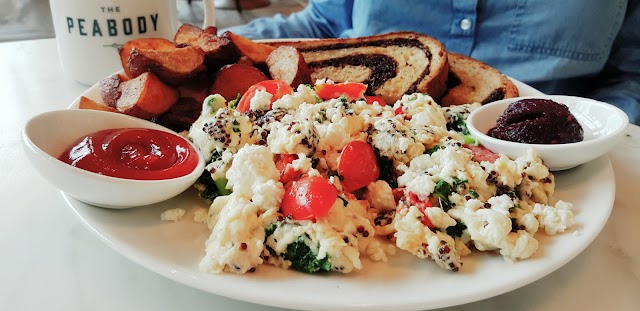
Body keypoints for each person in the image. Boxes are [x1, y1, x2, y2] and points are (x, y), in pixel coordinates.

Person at [224, 0, 640, 125]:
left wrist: (596, 135)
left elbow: (633, 73)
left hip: (557, 154)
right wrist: (223, 47)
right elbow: (326, 22)